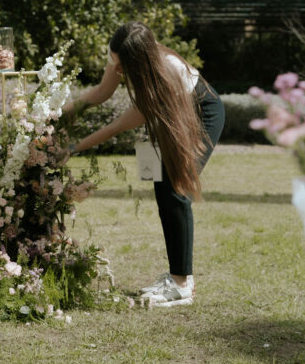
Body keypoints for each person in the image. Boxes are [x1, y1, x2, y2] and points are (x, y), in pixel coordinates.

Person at [64, 21, 224, 307]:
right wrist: (62, 113)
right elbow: (102, 92)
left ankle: (181, 285)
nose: (116, 70)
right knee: (164, 190)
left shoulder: (167, 71)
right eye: (113, 61)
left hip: (202, 115)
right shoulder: (121, 56)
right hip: (176, 118)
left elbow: (118, 125)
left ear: (140, 61)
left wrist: (75, 147)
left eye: (121, 65)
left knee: (176, 189)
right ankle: (178, 276)